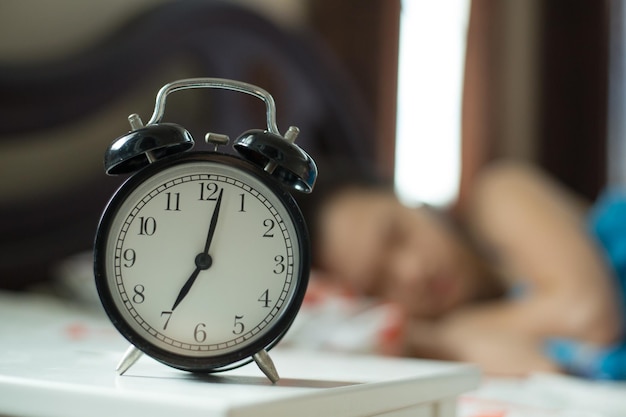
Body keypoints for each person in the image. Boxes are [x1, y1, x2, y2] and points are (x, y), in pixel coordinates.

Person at [299, 159, 626, 378]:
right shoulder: (460, 351)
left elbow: (589, 315)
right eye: (379, 283)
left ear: (413, 202)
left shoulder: (498, 194)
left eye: (397, 235)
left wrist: (445, 332)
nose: (413, 273)